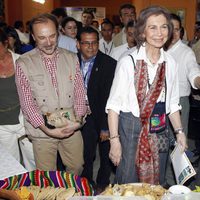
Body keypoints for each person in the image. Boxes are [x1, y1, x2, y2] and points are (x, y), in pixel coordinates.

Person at [106, 5, 187, 185]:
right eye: (153, 27)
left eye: (164, 27)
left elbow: (172, 104)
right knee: (128, 180)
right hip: (131, 127)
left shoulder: (170, 63)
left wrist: (180, 131)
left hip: (160, 128)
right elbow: (113, 106)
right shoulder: (129, 62)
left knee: (155, 181)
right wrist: (114, 141)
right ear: (142, 32)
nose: (160, 33)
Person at [15, 13, 87, 174]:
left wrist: (79, 120)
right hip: (42, 131)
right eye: (42, 38)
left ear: (58, 33)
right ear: (33, 37)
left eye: (52, 36)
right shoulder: (24, 63)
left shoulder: (72, 58)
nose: (48, 43)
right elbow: (27, 103)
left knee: (77, 166)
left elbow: (80, 92)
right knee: (47, 176)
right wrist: (47, 130)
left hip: (71, 125)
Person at [76, 26, 116, 191]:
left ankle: (102, 183)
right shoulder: (70, 60)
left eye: (94, 43)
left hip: (102, 114)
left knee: (106, 151)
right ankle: (86, 182)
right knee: (86, 152)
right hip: (79, 114)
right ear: (78, 44)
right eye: (86, 43)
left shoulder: (109, 64)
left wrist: (106, 126)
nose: (91, 47)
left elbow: (110, 97)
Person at [0, 29, 35, 171]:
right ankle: (17, 193)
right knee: (11, 165)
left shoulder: (21, 61)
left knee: (33, 159)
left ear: (5, 43)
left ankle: (37, 190)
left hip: (24, 120)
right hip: (2, 126)